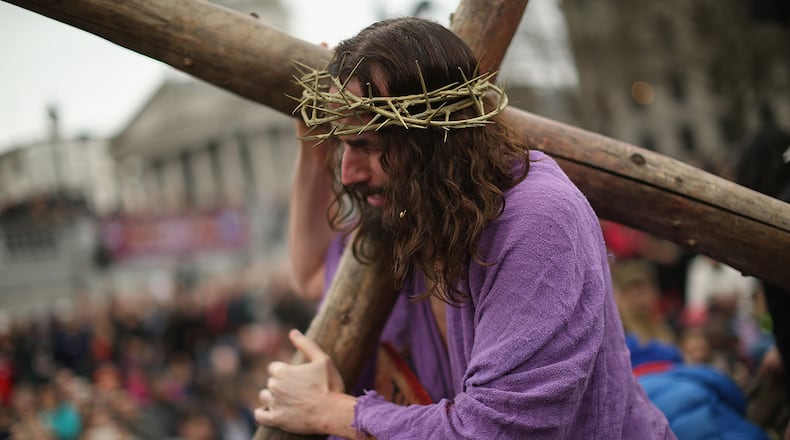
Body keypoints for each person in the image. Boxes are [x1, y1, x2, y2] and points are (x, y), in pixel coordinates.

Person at [255, 17, 674, 439]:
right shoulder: (416, 212)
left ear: (432, 139)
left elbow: (498, 430)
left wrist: (330, 411)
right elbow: (311, 276)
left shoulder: (537, 220)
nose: (346, 175)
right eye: (341, 145)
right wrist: (313, 146)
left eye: (366, 145)